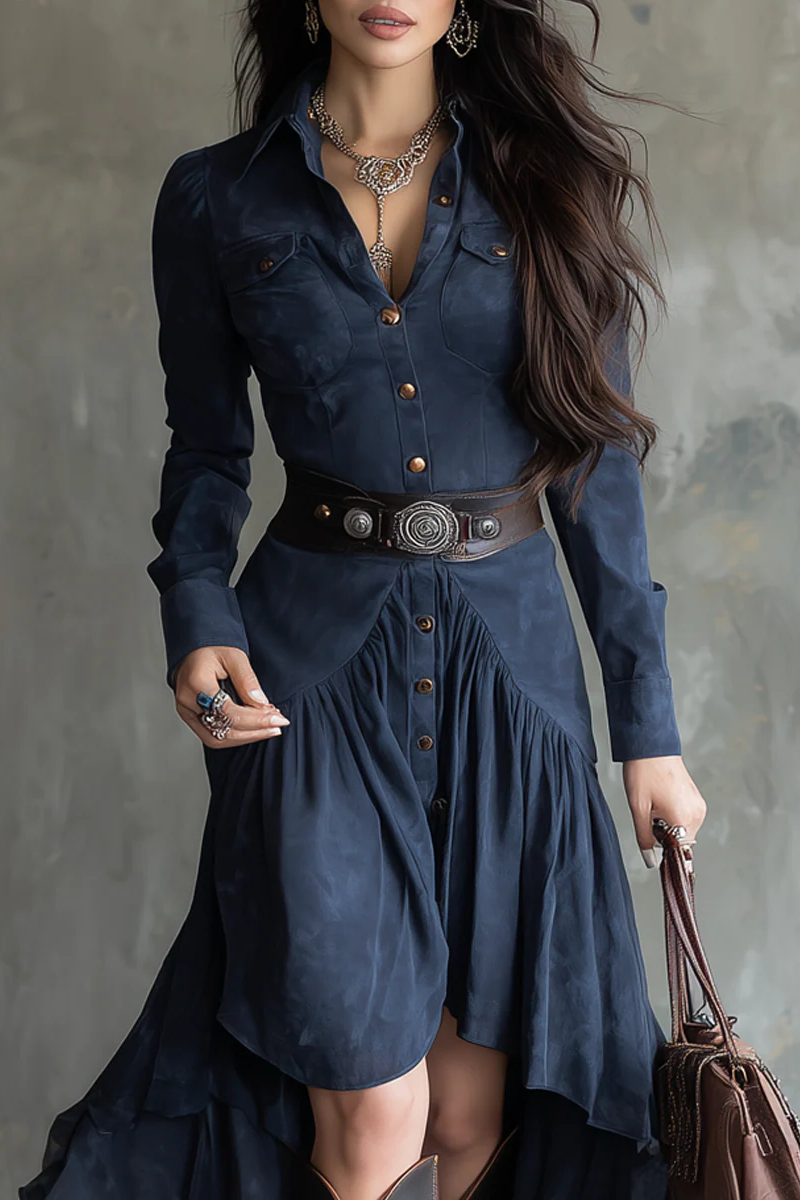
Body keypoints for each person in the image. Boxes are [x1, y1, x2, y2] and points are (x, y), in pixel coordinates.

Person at [20, 0, 709, 1197]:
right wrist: (198, 619)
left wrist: (645, 732)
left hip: (515, 676)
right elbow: (205, 453)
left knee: (471, 1103)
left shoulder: (549, 182)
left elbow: (596, 469)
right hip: (309, 675)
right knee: (371, 1108)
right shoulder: (215, 198)